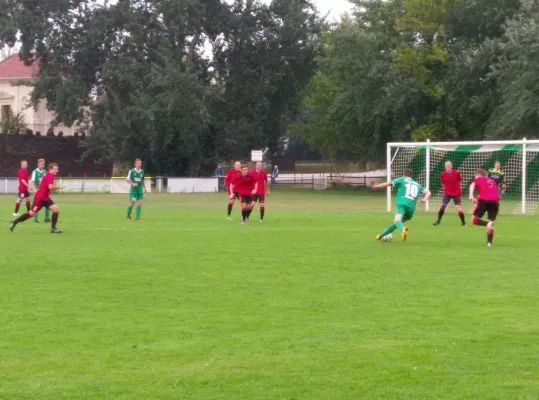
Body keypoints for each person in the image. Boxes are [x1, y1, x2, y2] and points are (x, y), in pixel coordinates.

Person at [372, 169, 431, 242]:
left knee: (397, 220)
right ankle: (380, 236)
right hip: (411, 209)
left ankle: (403, 230)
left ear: (404, 174)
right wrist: (424, 199)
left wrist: (378, 186)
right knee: (397, 223)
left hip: (403, 204)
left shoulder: (402, 179)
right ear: (411, 176)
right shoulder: (417, 184)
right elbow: (428, 192)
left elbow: (389, 183)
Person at [10, 163, 64, 233]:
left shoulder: (49, 175)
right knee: (31, 214)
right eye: (55, 169)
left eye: (57, 169)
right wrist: (60, 186)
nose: (57, 170)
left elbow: (47, 186)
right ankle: (14, 222)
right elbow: (50, 187)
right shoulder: (50, 176)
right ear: (51, 169)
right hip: (40, 198)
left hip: (46, 198)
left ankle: (53, 229)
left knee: (56, 210)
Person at [469, 168, 499, 247]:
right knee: (490, 223)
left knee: (473, 220)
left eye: (475, 177)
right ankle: (489, 243)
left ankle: (488, 223)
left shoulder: (480, 179)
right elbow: (492, 193)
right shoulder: (492, 181)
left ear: (479, 175)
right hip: (494, 202)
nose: (475, 179)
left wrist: (471, 195)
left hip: (484, 201)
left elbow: (472, 185)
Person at [433, 161, 466, 226]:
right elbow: (443, 183)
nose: (448, 167)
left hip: (456, 193)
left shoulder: (456, 173)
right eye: (446, 166)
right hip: (447, 193)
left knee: (459, 209)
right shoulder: (442, 174)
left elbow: (460, 181)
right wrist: (446, 190)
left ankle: (463, 223)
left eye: (449, 165)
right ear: (445, 167)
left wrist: (457, 189)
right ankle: (438, 221)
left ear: (451, 166)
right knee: (443, 206)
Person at [30, 158, 51, 223]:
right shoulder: (35, 172)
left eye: (43, 164)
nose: (43, 165)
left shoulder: (45, 172)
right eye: (41, 164)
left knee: (48, 204)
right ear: (38, 164)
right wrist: (34, 190)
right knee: (36, 205)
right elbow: (32, 182)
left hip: (44, 192)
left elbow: (47, 182)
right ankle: (35, 220)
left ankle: (47, 219)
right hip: (38, 192)